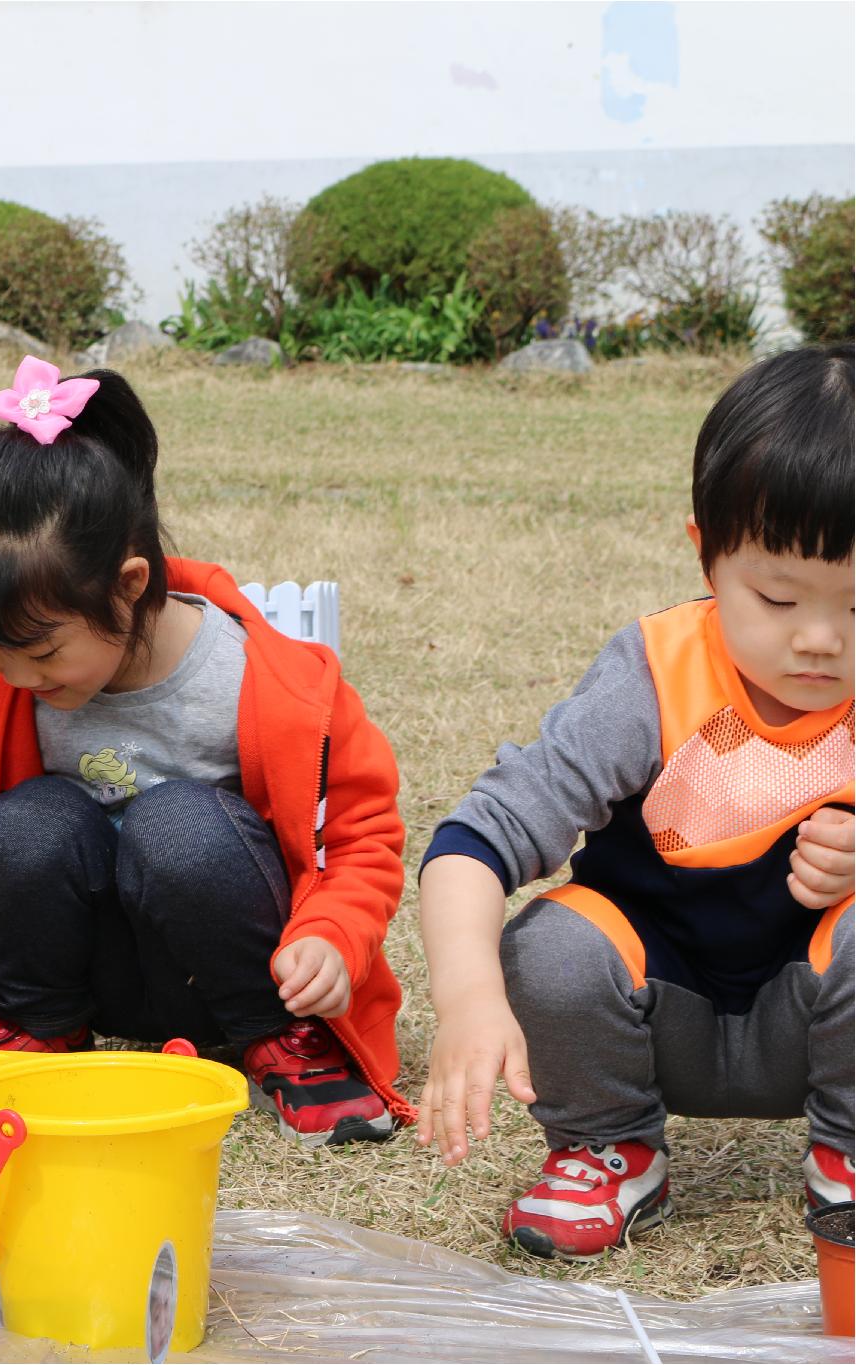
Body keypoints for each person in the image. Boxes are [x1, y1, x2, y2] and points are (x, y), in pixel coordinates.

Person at [0, 356, 413, 1146]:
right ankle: (39, 1030)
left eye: (40, 653)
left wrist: (333, 937)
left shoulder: (266, 682)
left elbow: (360, 837)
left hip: (232, 978)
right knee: (24, 821)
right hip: (100, 978)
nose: (11, 675)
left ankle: (284, 1044)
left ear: (130, 584)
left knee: (176, 824)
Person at [415, 343, 853, 1260]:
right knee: (552, 945)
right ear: (707, 554)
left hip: (812, 1016)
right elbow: (479, 835)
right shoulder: (656, 675)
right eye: (777, 596)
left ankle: (847, 1152)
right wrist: (466, 994)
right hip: (654, 1014)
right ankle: (608, 1144)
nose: (819, 640)